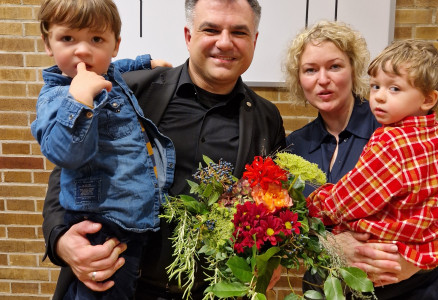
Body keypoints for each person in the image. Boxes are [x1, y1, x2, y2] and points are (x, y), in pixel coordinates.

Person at [41, 0, 286, 299]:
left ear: (254, 40)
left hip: (213, 292)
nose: (224, 42)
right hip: (122, 283)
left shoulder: (266, 118)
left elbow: (273, 203)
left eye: (239, 32)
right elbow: (69, 165)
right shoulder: (129, 90)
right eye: (211, 29)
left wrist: (273, 255)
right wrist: (61, 240)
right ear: (188, 35)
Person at [285, 21, 438, 299]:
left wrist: (416, 258)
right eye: (310, 70)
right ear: (299, 78)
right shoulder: (294, 146)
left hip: (421, 289)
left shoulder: (398, 125)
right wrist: (329, 244)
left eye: (335, 66)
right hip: (331, 290)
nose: (323, 79)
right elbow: (288, 228)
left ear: (354, 69)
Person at [31, 0, 175, 298]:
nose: (83, 51)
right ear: (48, 42)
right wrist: (79, 101)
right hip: (100, 226)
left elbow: (117, 66)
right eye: (68, 38)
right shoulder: (57, 97)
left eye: (96, 39)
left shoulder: (106, 73)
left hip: (129, 218)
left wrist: (144, 63)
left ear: (114, 45)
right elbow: (64, 154)